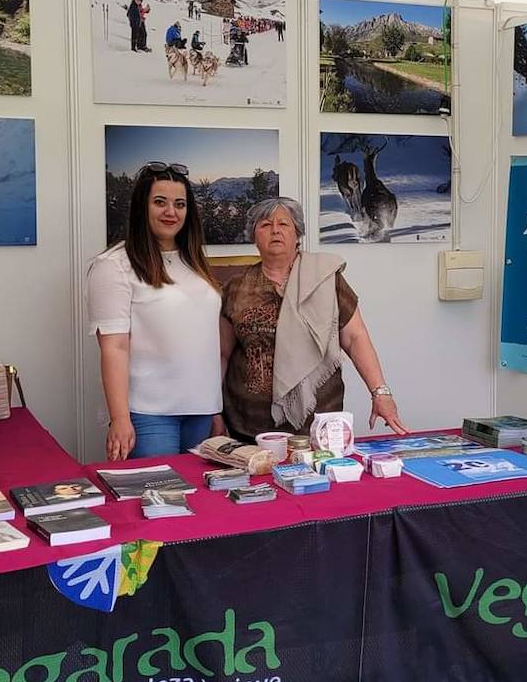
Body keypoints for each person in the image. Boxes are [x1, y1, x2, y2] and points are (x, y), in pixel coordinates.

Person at [219, 197, 406, 443]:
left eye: (284, 224)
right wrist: (213, 410)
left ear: (297, 233)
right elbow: (222, 353)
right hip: (248, 428)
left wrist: (380, 393)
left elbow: (355, 338)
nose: (275, 230)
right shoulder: (236, 286)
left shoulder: (326, 279)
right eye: (265, 225)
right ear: (253, 236)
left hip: (319, 426)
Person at [87, 162, 221, 461]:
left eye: (180, 204)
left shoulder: (194, 261)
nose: (171, 212)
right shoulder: (114, 265)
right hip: (148, 415)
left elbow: (206, 338)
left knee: (199, 506)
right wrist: (120, 419)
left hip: (200, 412)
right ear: (141, 207)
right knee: (158, 503)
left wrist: (214, 406)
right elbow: (114, 348)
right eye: (160, 202)